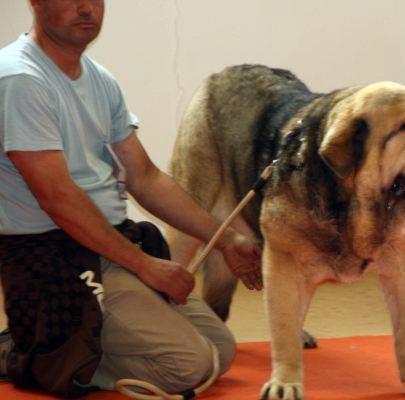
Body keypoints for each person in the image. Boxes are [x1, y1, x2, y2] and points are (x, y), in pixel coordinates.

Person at [0, 0, 262, 396]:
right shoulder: (20, 79)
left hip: (110, 245)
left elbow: (145, 177)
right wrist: (146, 266)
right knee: (188, 365)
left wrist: (225, 238)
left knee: (221, 351)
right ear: (36, 3)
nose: (86, 7)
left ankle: (69, 345)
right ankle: (29, 353)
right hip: (53, 258)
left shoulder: (100, 79)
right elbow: (58, 199)